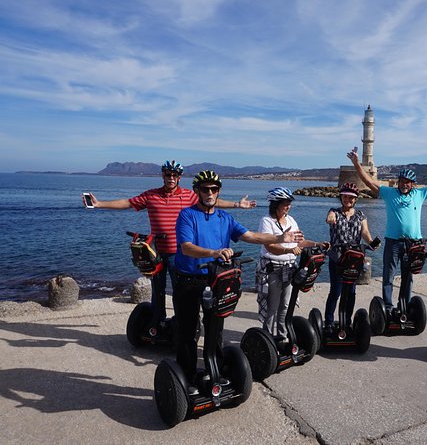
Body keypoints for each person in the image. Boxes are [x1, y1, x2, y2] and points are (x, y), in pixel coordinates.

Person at [82, 160, 256, 327]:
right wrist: (99, 204)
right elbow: (127, 203)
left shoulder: (189, 195)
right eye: (168, 174)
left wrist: (236, 205)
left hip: (178, 253)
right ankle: (157, 322)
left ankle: (181, 323)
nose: (171, 178)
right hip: (156, 252)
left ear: (179, 177)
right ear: (163, 176)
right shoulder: (151, 195)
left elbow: (212, 200)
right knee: (157, 291)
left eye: (174, 175)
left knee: (179, 291)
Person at [174, 171, 303, 392]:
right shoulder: (187, 215)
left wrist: (279, 238)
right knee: (188, 331)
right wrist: (214, 252)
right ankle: (187, 377)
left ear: (218, 192)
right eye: (205, 189)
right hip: (188, 280)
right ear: (197, 191)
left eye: (214, 189)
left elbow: (251, 236)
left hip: (215, 280)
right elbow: (186, 247)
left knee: (215, 330)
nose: (210, 193)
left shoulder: (225, 218)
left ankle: (214, 371)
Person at [347, 148, 427, 314]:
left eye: (408, 182)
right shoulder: (389, 193)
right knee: (388, 276)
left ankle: (404, 306)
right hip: (393, 242)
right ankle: (388, 308)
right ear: (398, 182)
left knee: (408, 277)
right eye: (402, 181)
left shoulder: (420, 194)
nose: (404, 184)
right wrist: (356, 164)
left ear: (412, 184)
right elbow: (368, 182)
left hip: (413, 244)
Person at [256, 187, 328, 343]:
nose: (288, 206)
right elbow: (269, 246)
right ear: (275, 204)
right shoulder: (266, 221)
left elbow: (300, 242)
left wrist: (318, 243)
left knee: (285, 306)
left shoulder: (291, 220)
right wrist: (287, 250)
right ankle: (267, 340)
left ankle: (282, 336)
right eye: (285, 203)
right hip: (272, 268)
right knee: (272, 308)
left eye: (289, 203)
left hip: (289, 268)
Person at [324, 182, 376, 332]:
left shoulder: (360, 215)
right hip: (337, 258)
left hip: (354, 258)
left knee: (351, 292)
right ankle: (328, 322)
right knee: (336, 291)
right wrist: (330, 217)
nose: (348, 200)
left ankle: (346, 321)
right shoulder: (334, 211)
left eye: (352, 198)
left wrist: (371, 242)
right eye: (345, 196)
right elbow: (330, 218)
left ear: (356, 200)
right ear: (341, 197)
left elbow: (365, 232)